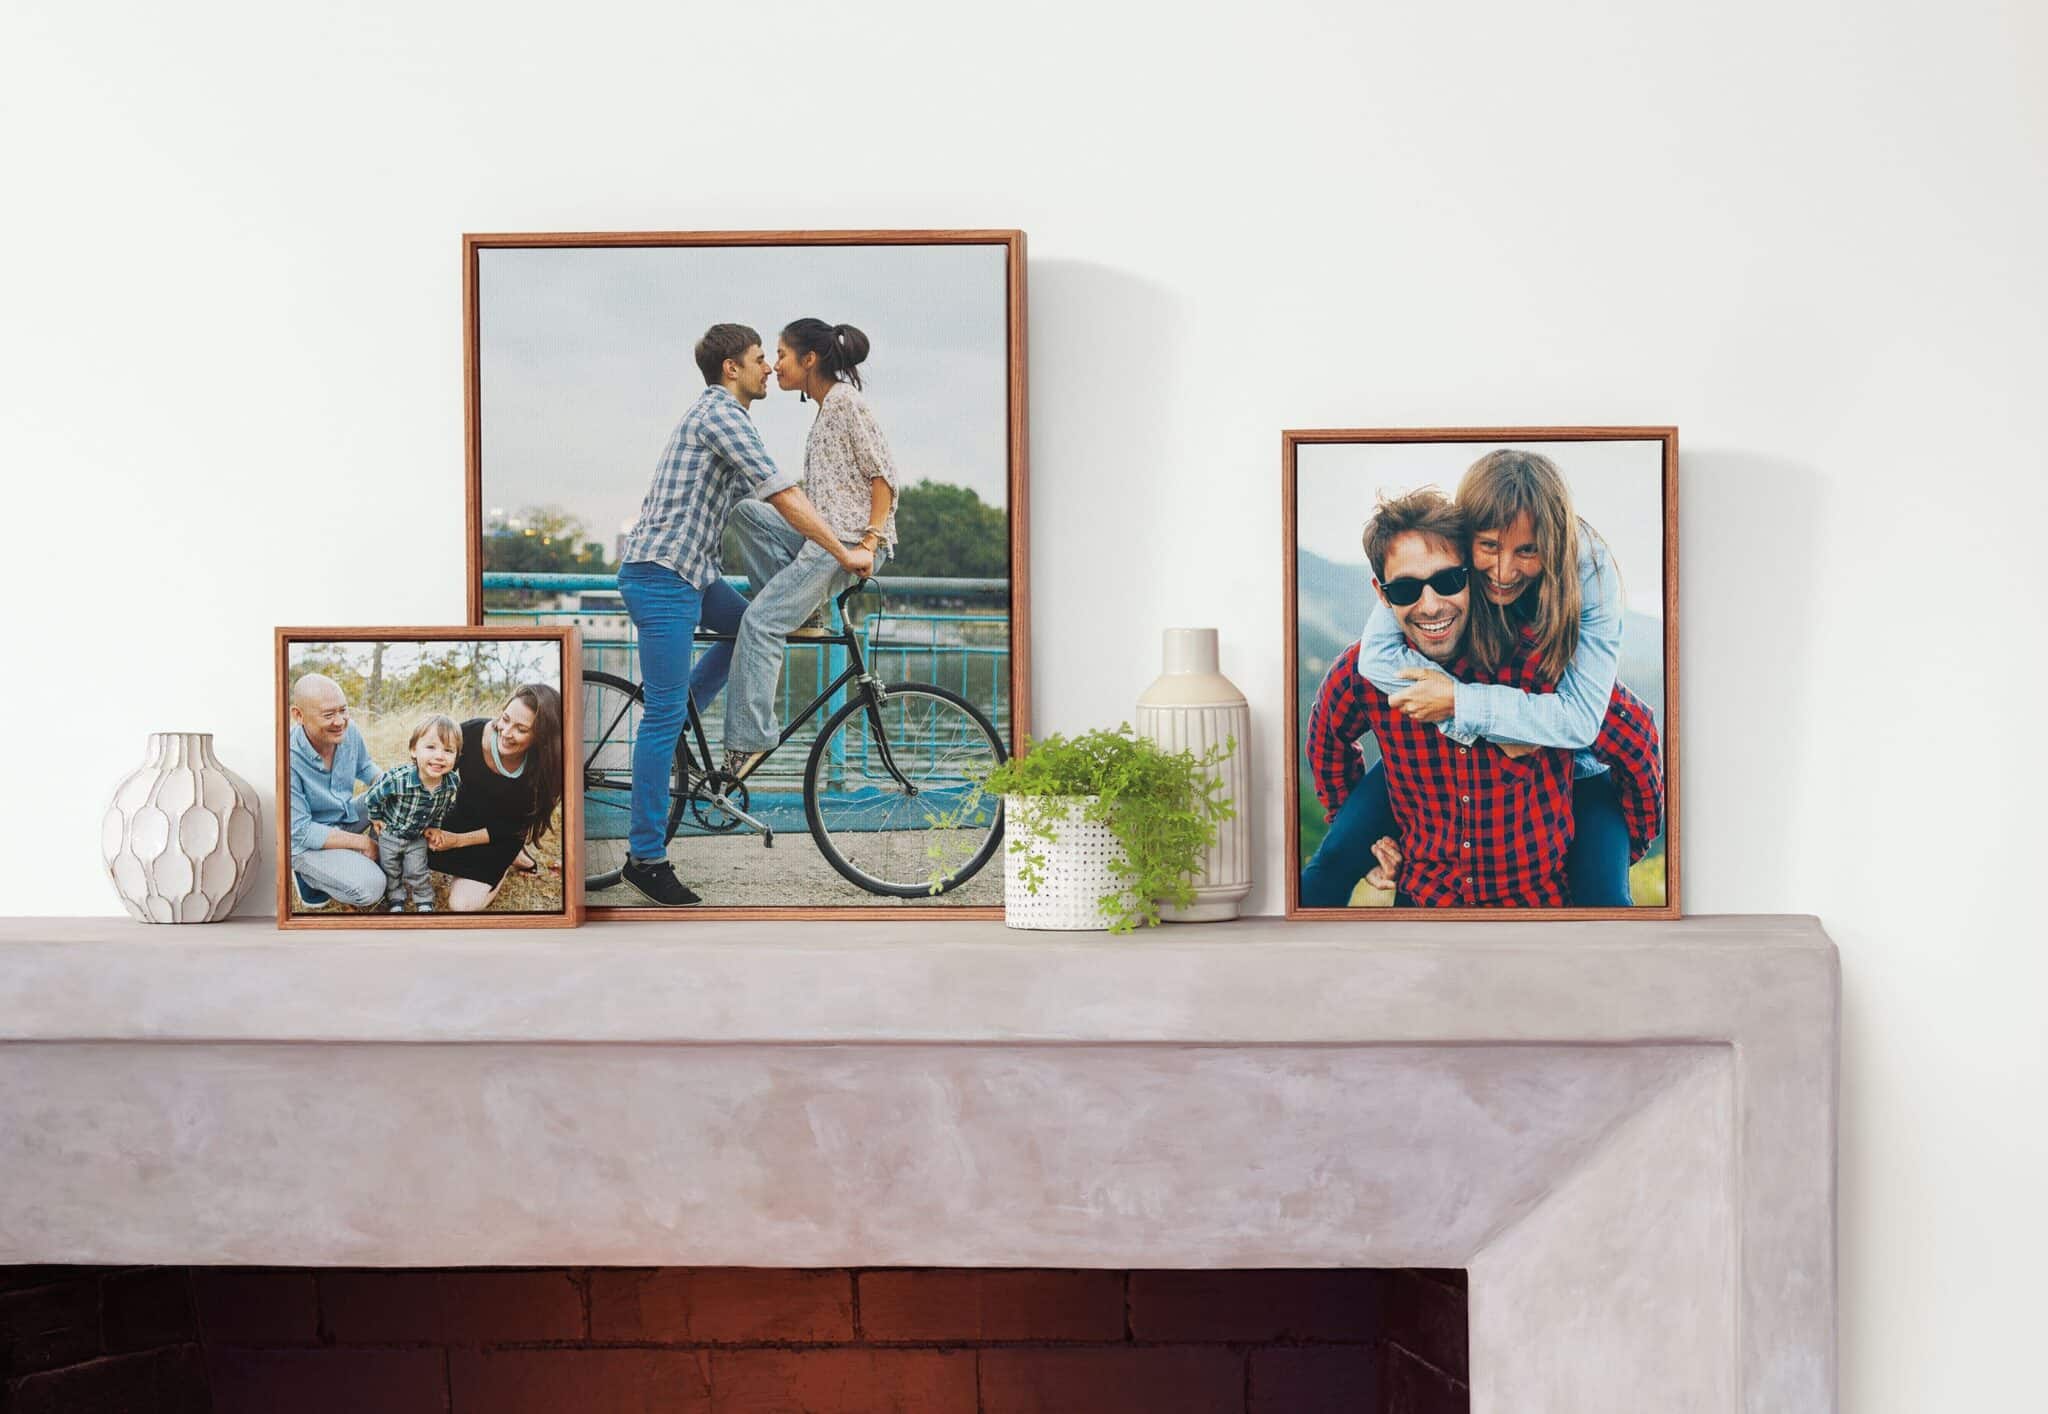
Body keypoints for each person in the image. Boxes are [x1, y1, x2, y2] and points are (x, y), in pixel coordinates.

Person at [613, 323, 874, 907]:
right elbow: (783, 494)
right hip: (662, 576)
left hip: (695, 574)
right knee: (657, 724)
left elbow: (771, 504)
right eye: (761, 358)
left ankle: (683, 712)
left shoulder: (733, 418)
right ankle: (645, 858)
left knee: (750, 626)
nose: (769, 369)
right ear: (732, 368)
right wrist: (842, 552)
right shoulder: (721, 415)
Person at [1301, 489, 1663, 907]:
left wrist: (1616, 855)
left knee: (1612, 916)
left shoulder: (1540, 662)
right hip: (1428, 905)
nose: (1431, 606)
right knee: (1319, 877)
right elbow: (1327, 739)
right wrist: (1368, 840)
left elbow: (1635, 737)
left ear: (1473, 574)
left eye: (1448, 581)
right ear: (1382, 595)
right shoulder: (1364, 671)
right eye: (1404, 590)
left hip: (1536, 908)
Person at [719, 318, 898, 782]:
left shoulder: (843, 403)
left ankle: (748, 743)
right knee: (746, 509)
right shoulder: (825, 410)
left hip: (840, 545)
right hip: (822, 539)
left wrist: (867, 545)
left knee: (758, 623)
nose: (775, 365)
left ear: (809, 359)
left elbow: (884, 479)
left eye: (780, 354)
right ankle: (803, 613)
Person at [424, 684, 566, 913]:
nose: (506, 732)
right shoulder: (470, 734)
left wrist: (457, 841)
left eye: (521, 729)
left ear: (541, 736)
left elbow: (510, 826)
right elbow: (428, 770)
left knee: (462, 905)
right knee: (402, 846)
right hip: (461, 817)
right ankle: (515, 859)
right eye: (506, 718)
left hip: (501, 837)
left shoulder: (544, 768)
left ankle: (505, 864)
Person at [284, 672, 386, 909]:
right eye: (329, 715)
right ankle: (308, 875)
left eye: (343, 710)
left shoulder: (348, 731)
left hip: (344, 816)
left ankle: (350, 863)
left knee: (394, 798)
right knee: (371, 888)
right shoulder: (286, 758)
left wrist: (387, 788)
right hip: (306, 841)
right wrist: (364, 844)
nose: (339, 721)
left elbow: (365, 766)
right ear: (298, 715)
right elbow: (300, 831)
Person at [361, 713, 462, 913]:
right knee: (391, 869)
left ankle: (424, 899)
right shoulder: (398, 779)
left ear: (456, 757)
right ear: (414, 750)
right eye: (431, 747)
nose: (439, 756)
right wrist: (376, 817)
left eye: (448, 750)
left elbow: (441, 808)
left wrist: (435, 826)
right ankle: (395, 898)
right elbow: (372, 796)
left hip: (417, 836)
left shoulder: (451, 783)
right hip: (390, 833)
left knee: (417, 870)